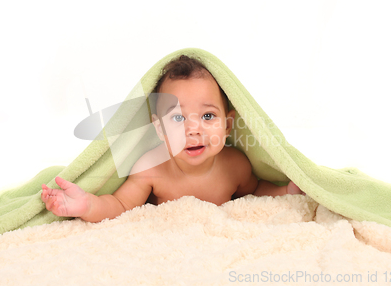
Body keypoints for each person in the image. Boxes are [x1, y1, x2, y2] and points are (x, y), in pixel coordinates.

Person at [41, 55, 303, 222]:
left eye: (208, 116)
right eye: (177, 118)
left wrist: (287, 190)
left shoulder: (236, 165)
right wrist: (88, 205)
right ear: (159, 129)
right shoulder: (151, 169)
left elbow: (255, 193)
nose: (193, 130)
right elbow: (119, 205)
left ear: (228, 125)